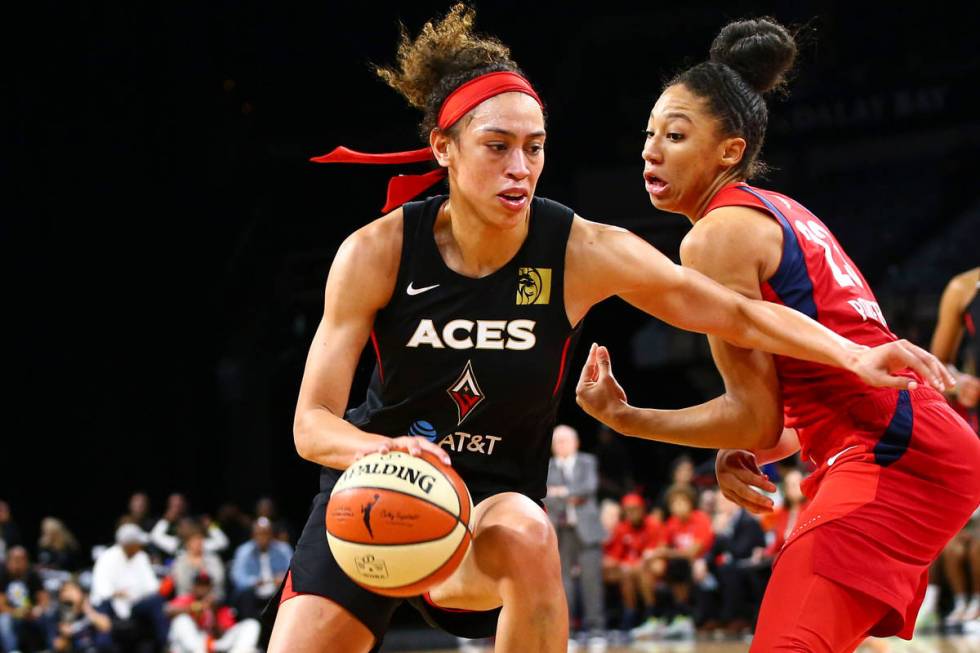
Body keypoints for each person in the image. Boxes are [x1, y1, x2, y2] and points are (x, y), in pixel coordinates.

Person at [272, 6, 951, 653]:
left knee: (532, 531)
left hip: (489, 508)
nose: (520, 167)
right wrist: (380, 451)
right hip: (371, 492)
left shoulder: (579, 248)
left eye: (534, 148)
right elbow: (312, 425)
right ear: (443, 147)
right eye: (497, 147)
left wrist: (854, 355)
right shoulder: (377, 250)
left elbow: (735, 312)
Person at [574, 16, 980, 651]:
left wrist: (629, 419)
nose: (651, 149)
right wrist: (753, 446)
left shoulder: (713, 237)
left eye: (676, 135)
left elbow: (755, 418)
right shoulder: (782, 210)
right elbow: (793, 412)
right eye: (650, 133)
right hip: (908, 439)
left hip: (890, 450)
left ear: (729, 151)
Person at [543, 424, 605, 642]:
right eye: (557, 441)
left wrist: (558, 492)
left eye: (565, 440)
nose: (561, 445)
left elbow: (588, 489)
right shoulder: (547, 466)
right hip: (560, 529)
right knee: (563, 580)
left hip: (586, 528)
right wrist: (566, 495)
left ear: (576, 443)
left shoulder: (587, 461)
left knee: (591, 579)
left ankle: (596, 628)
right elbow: (543, 495)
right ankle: (566, 630)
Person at [90, 524, 169, 649]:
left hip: (136, 604)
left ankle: (166, 645)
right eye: (137, 543)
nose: (140, 546)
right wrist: (118, 593)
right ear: (128, 544)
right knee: (105, 635)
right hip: (112, 605)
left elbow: (152, 587)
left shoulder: (141, 557)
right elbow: (102, 591)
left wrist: (134, 593)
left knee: (157, 601)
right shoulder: (107, 557)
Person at [602, 494, 662, 631]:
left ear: (642, 509)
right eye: (628, 510)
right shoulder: (621, 529)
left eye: (635, 509)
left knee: (645, 571)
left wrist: (632, 565)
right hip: (628, 570)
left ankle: (651, 615)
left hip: (646, 568)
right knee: (623, 575)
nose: (632, 513)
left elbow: (654, 553)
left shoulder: (653, 525)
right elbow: (615, 557)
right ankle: (630, 614)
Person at [167, 571, 261, 653]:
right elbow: (168, 610)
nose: (202, 588)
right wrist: (196, 607)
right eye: (199, 584)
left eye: (205, 585)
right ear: (194, 587)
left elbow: (222, 634)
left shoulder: (216, 604)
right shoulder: (187, 600)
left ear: (210, 587)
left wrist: (213, 613)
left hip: (213, 644)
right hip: (193, 645)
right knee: (181, 620)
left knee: (252, 624)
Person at [230, 517, 292, 620]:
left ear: (271, 534)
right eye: (259, 534)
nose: (263, 537)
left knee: (287, 592)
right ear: (253, 535)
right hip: (254, 594)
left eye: (266, 533)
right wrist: (253, 582)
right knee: (245, 595)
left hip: (275, 592)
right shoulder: (244, 552)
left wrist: (283, 579)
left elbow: (293, 572)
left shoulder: (283, 550)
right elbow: (238, 577)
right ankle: (249, 625)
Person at [0, 546, 49, 653]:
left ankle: (47, 648)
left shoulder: (32, 574)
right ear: (8, 561)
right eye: (16, 560)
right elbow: (1, 606)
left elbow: (44, 599)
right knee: (4, 620)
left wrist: (38, 609)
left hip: (31, 613)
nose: (19, 564)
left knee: (48, 615)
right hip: (11, 614)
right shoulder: (2, 575)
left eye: (22, 559)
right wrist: (16, 613)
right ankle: (13, 651)